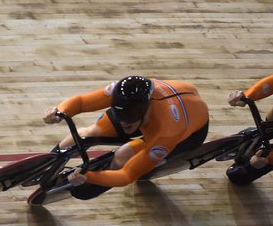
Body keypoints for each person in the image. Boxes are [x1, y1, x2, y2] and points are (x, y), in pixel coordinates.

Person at [42, 76, 210, 199]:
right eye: (120, 118)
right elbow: (80, 102)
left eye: (128, 123)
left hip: (188, 133)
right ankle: (48, 164)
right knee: (88, 133)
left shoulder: (167, 132)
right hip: (150, 111)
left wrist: (90, 176)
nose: (123, 125)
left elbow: (126, 176)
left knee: (123, 156)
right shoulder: (123, 91)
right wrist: (59, 112)